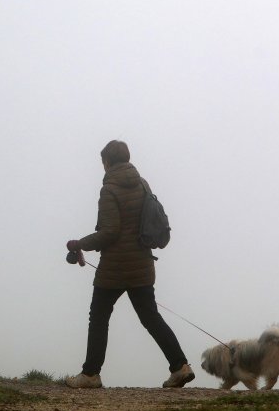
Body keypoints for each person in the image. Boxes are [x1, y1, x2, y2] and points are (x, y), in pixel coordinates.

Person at [64, 140, 194, 389]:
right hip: (142, 265)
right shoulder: (143, 183)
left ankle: (90, 374)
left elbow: (110, 232)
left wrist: (79, 243)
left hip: (115, 267)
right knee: (151, 317)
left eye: (103, 162)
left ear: (108, 162)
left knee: (99, 317)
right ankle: (180, 367)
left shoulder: (109, 190)